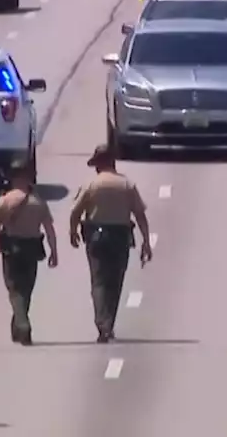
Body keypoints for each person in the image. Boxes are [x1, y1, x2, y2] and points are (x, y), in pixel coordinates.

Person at [68, 144, 153, 343]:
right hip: (121, 237)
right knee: (115, 282)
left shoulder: (91, 185)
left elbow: (75, 212)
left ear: (100, 164)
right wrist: (146, 241)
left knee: (99, 281)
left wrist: (73, 231)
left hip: (96, 238)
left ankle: (102, 323)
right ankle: (108, 323)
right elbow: (140, 215)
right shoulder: (127, 185)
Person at [0, 161, 58, 346]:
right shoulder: (38, 201)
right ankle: (19, 328)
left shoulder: (5, 201)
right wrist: (54, 251)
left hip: (12, 249)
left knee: (15, 290)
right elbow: (49, 229)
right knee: (26, 289)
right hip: (32, 249)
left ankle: (22, 325)